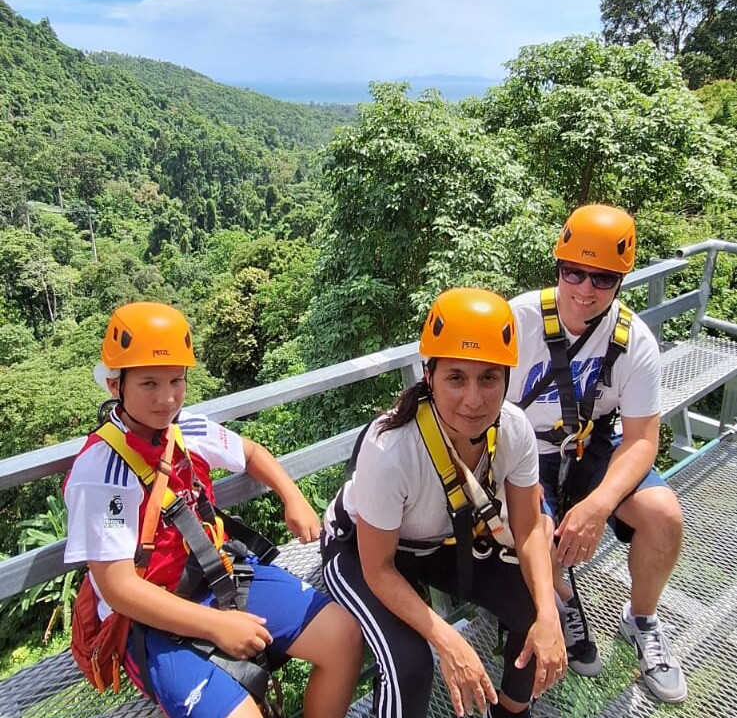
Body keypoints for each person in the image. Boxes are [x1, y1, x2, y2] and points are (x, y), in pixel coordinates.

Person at [63, 301, 363, 718]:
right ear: (116, 385)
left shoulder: (187, 428)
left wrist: (291, 496)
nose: (166, 398)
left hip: (217, 575)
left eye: (176, 381)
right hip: (149, 617)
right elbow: (117, 588)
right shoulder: (102, 471)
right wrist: (217, 626)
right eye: (149, 384)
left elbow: (251, 452)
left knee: (345, 637)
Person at [321, 288, 566, 718]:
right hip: (362, 549)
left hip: (440, 539)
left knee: (538, 616)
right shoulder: (391, 447)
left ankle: (510, 711)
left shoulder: (513, 429)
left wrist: (547, 613)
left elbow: (527, 530)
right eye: (456, 378)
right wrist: (449, 641)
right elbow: (378, 569)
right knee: (410, 664)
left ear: (507, 379)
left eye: (489, 378)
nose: (473, 400)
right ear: (429, 377)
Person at [507, 204, 687, 703]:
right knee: (535, 527)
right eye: (574, 273)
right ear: (558, 267)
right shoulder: (519, 322)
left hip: (588, 445)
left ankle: (642, 619)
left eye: (603, 279)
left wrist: (598, 504)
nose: (585, 289)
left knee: (663, 516)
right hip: (519, 448)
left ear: (621, 281)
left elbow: (643, 439)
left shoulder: (633, 342)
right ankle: (563, 597)